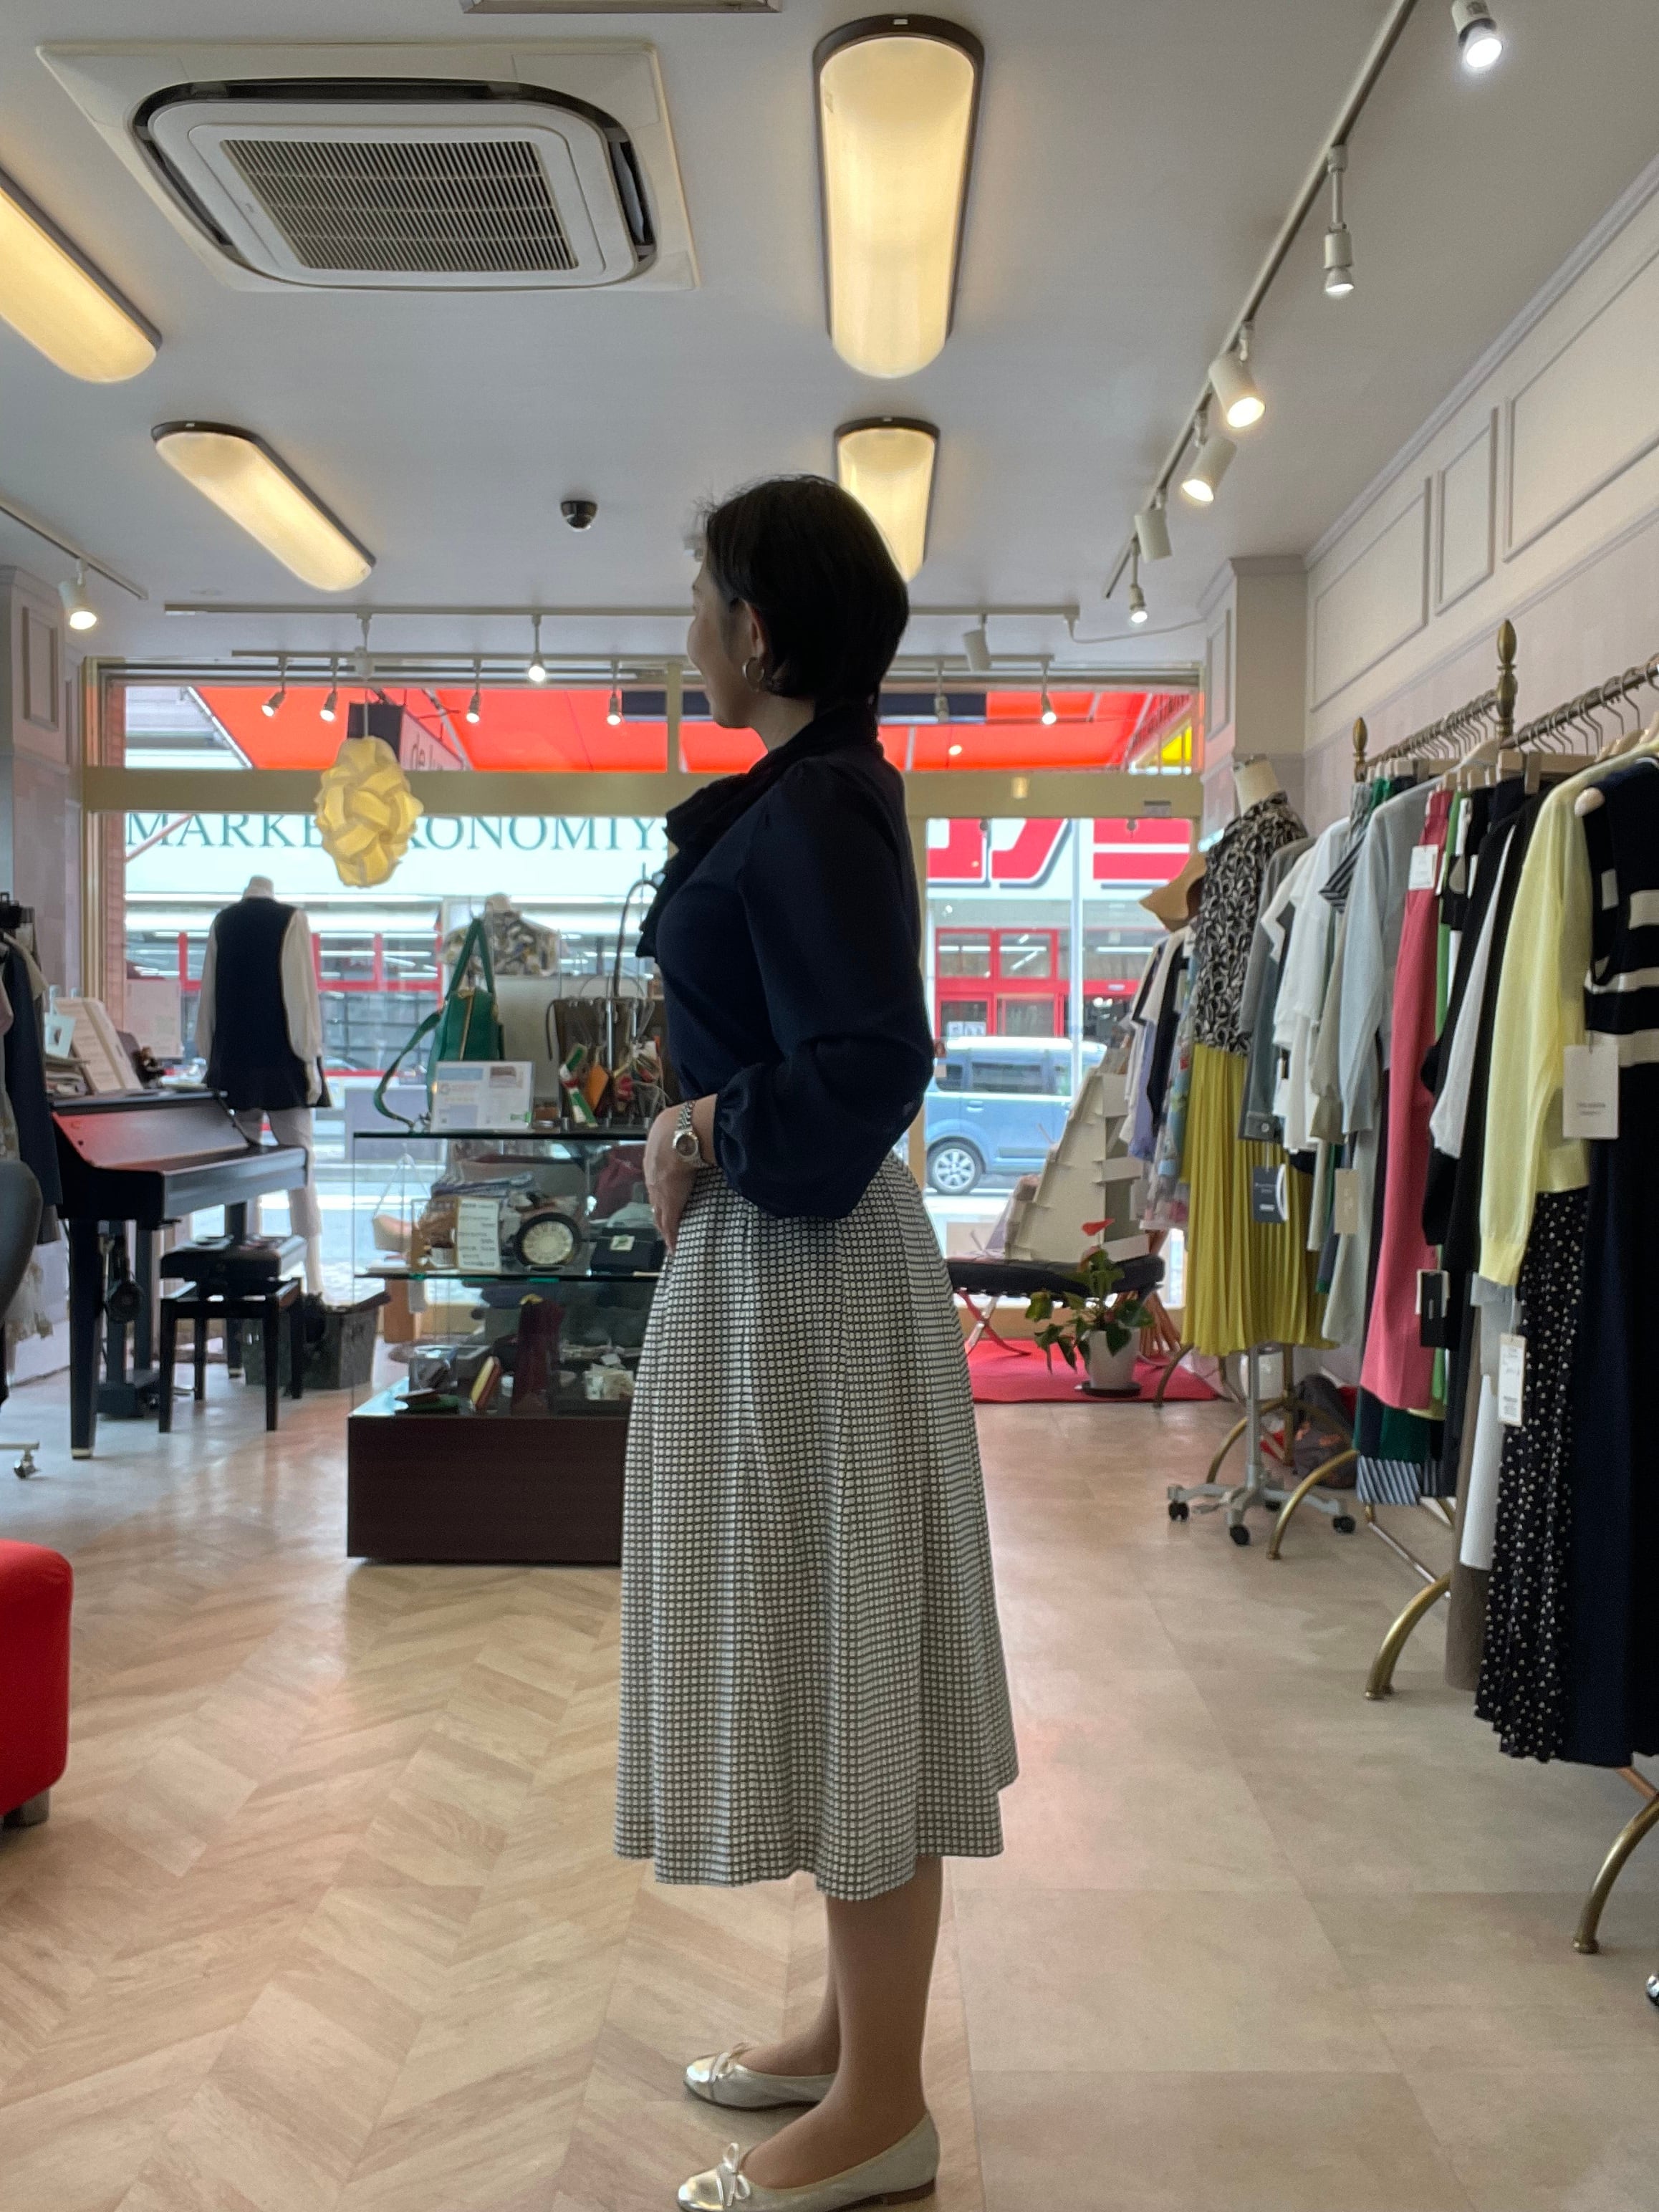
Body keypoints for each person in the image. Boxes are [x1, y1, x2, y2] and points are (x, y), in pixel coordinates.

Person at [621, 476, 1018, 2212]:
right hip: (787, 1277)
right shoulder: (811, 793)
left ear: (759, 626)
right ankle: (851, 2045)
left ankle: (884, 2107)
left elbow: (867, 1069)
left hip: (812, 1275)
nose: (686, 631)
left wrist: (701, 1125)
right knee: (823, 1648)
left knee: (857, 1663)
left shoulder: (824, 803)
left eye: (701, 599)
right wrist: (702, 1129)